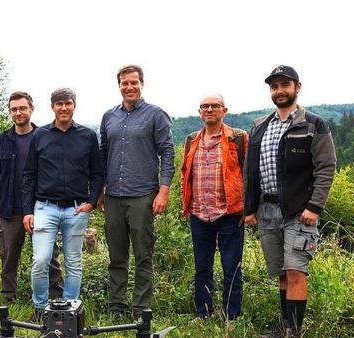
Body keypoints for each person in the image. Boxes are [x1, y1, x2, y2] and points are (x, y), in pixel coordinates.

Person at [244, 65, 336, 338]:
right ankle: (284, 328)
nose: (279, 91)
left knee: (296, 272)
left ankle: (295, 336)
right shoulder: (260, 126)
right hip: (267, 209)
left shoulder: (313, 124)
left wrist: (315, 207)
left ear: (297, 87)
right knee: (282, 273)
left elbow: (326, 167)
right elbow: (252, 171)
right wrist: (250, 209)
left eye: (285, 85)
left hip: (299, 211)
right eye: (274, 86)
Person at [99, 65, 175, 319]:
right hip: (113, 196)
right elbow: (103, 154)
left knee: (143, 254)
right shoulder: (109, 117)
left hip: (143, 194)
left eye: (134, 82)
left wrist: (163, 191)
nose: (129, 87)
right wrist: (100, 191)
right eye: (124, 83)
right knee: (116, 255)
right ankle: (116, 307)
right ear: (118, 85)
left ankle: (141, 308)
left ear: (142, 84)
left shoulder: (156, 115)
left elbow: (167, 153)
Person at [22, 88, 103, 319]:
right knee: (40, 260)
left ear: (74, 105)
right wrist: (28, 211)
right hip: (45, 207)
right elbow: (29, 175)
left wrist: (91, 203)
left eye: (67, 103)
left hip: (76, 208)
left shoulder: (87, 136)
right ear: (52, 107)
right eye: (59, 104)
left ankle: (70, 311)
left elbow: (97, 173)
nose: (63, 108)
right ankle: (40, 309)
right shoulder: (41, 136)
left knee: (74, 261)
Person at [0, 91, 63, 304]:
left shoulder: (45, 136)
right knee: (8, 256)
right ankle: (8, 299)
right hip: (9, 207)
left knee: (48, 256)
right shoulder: (2, 141)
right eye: (14, 109)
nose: (18, 112)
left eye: (22, 108)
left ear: (31, 109)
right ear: (10, 112)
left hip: (41, 207)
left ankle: (57, 300)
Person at [181, 94, 247, 320]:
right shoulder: (192, 140)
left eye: (214, 106)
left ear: (224, 110)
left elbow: (248, 174)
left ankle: (232, 318)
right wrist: (186, 205)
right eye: (205, 106)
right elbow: (185, 175)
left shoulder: (238, 138)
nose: (209, 109)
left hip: (230, 214)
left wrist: (248, 208)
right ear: (200, 112)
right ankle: (204, 315)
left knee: (232, 269)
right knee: (202, 269)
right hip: (199, 213)